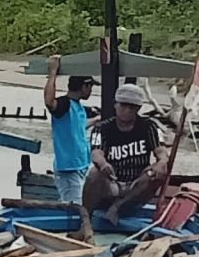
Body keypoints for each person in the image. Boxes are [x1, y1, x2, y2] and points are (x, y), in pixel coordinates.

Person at [88, 90, 161, 227]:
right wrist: (103, 164)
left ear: (138, 109)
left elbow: (160, 151)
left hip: (137, 182)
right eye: (123, 105)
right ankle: (86, 218)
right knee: (93, 173)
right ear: (116, 105)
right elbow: (96, 153)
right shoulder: (101, 128)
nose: (126, 110)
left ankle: (118, 207)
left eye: (131, 107)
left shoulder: (149, 126)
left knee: (158, 172)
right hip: (112, 182)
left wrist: (161, 162)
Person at [42, 56, 95, 238]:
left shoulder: (78, 107)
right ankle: (71, 241)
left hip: (82, 166)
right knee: (75, 211)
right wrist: (53, 73)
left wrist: (96, 120)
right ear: (84, 86)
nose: (91, 91)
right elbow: (50, 102)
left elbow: (78, 127)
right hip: (69, 168)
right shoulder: (64, 104)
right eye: (90, 87)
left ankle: (75, 237)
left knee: (82, 207)